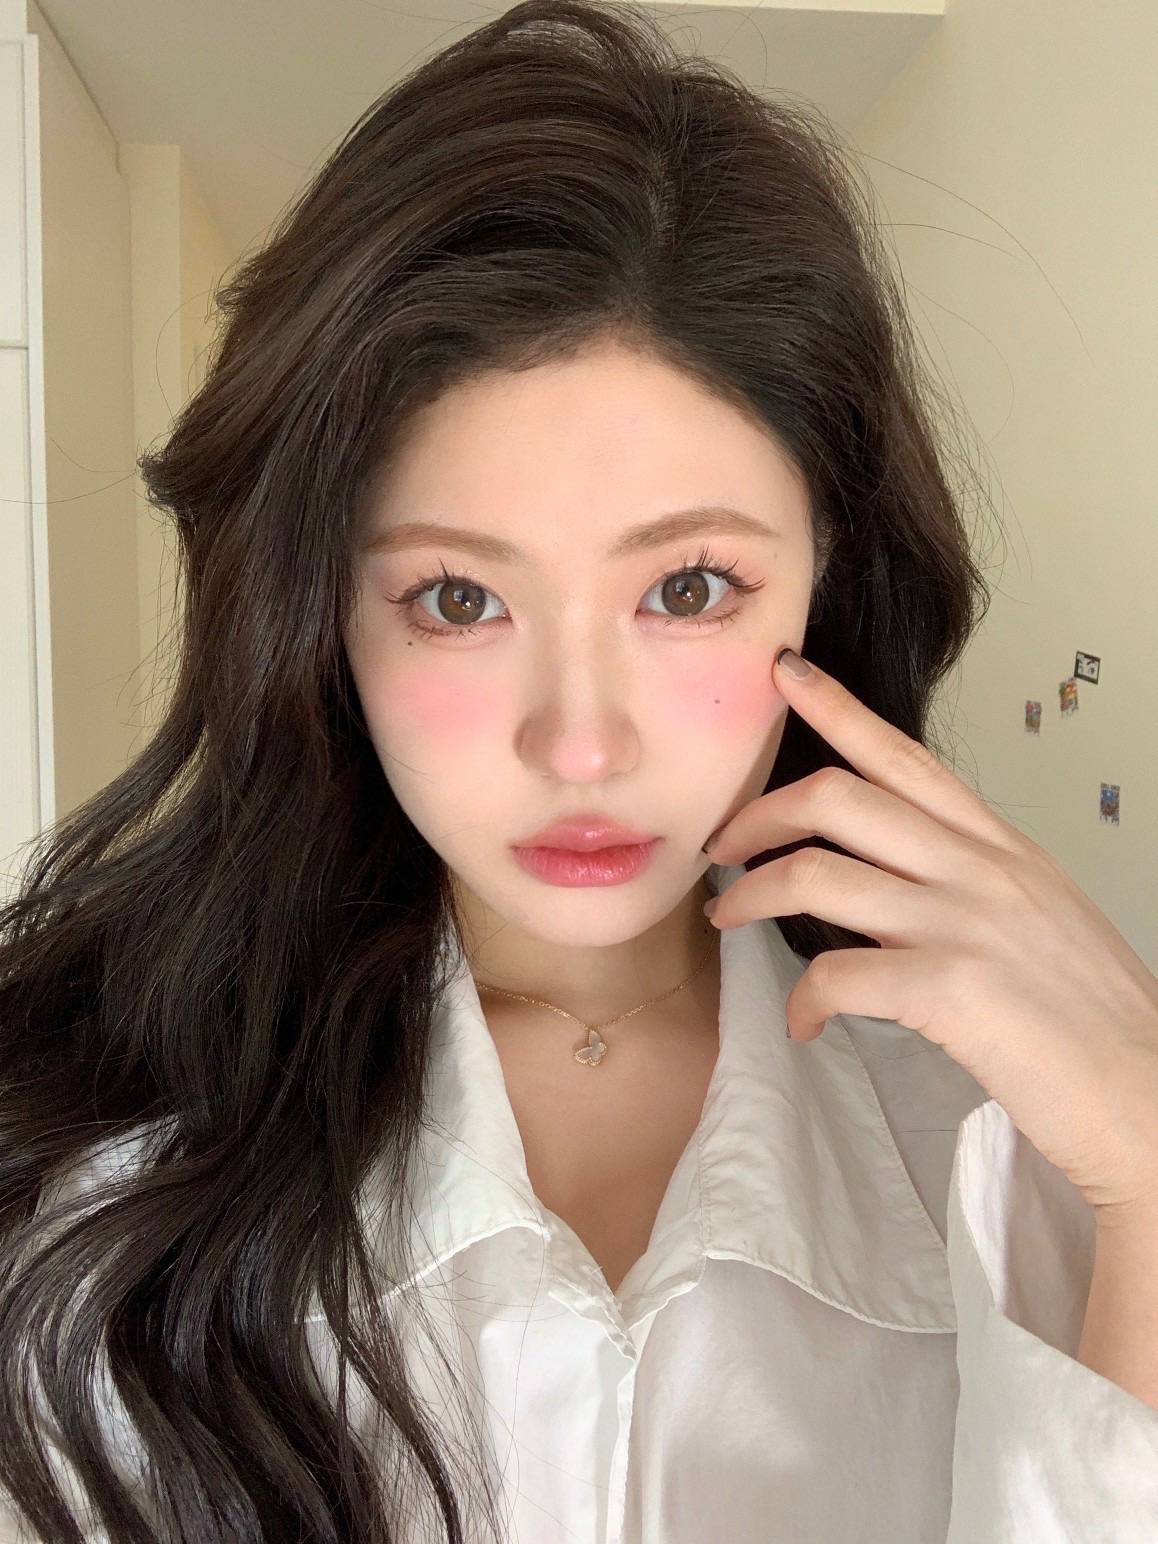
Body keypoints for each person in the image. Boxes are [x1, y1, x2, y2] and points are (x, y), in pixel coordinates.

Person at [2, 0, 1158, 1539]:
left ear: (827, 569)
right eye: (456, 599)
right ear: (318, 612)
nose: (581, 743)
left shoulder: (1026, 1140)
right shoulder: (86, 1165)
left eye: (686, 588)